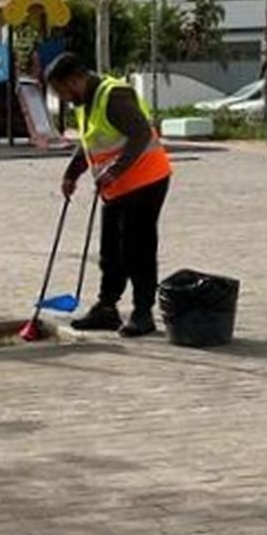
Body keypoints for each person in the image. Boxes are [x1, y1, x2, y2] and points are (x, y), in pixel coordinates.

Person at [44, 52, 172, 337]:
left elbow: (140, 133)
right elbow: (90, 141)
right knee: (111, 250)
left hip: (145, 180)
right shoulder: (84, 101)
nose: (63, 98)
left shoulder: (114, 95)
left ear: (75, 79)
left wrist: (115, 169)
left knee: (137, 249)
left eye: (62, 91)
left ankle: (142, 312)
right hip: (116, 187)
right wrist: (71, 173)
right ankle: (107, 308)